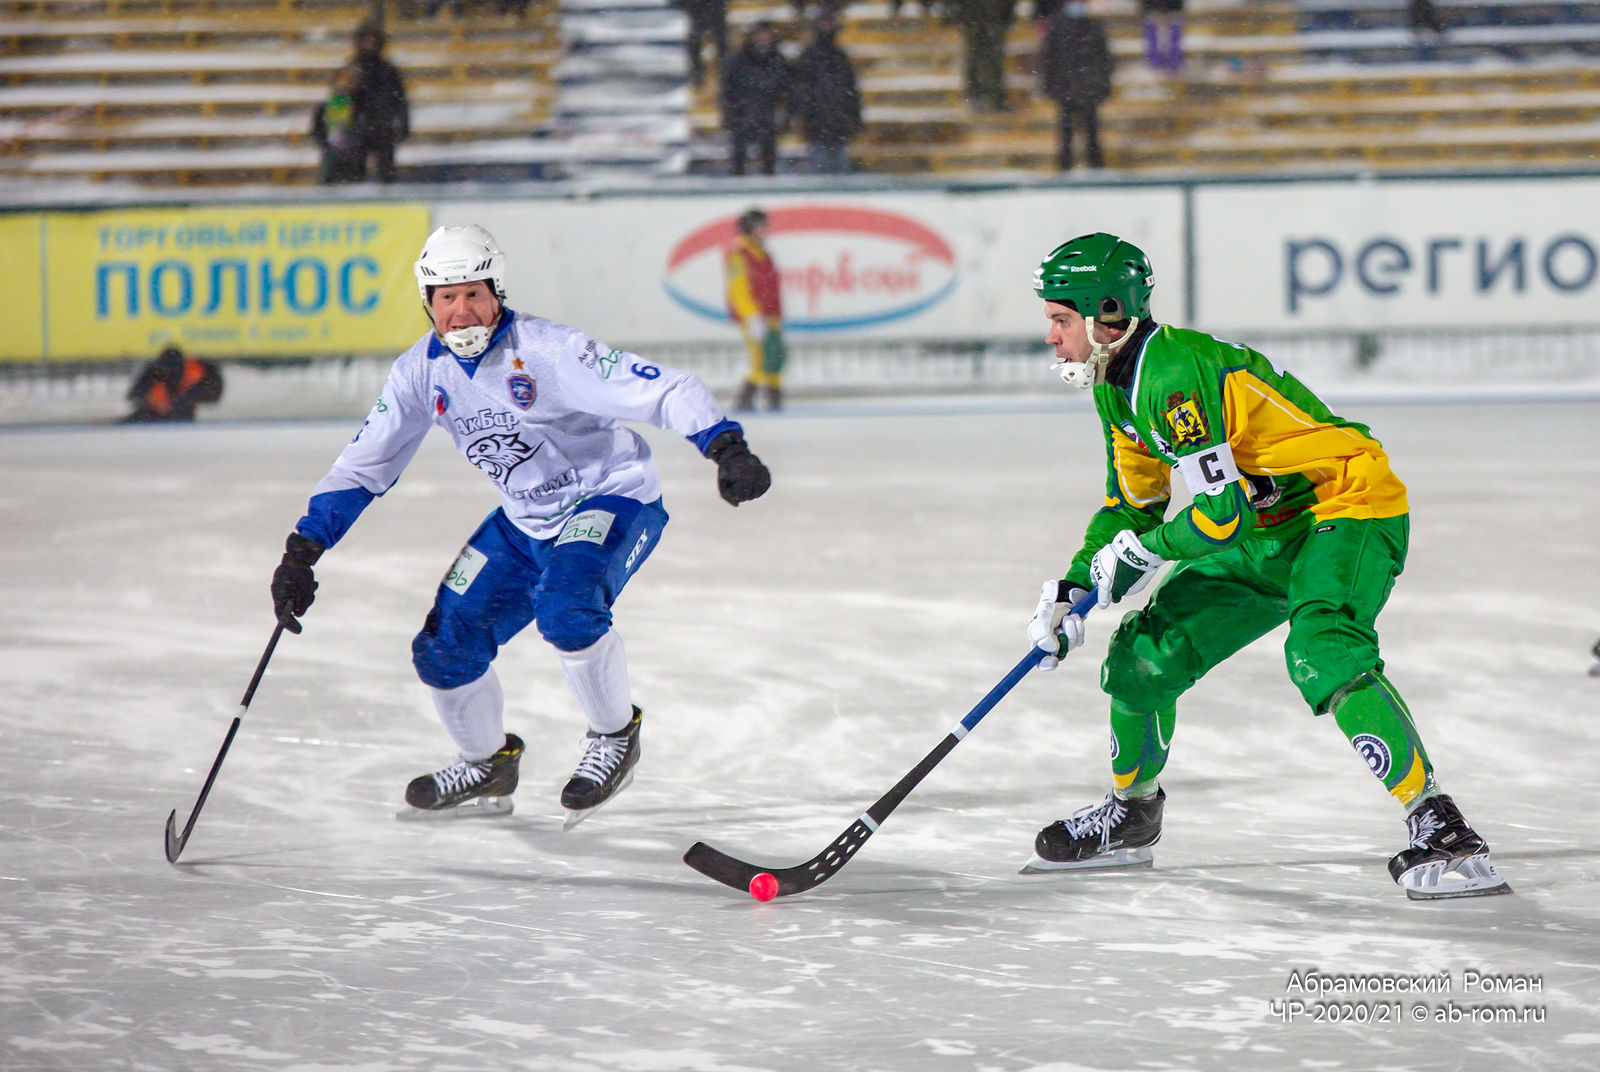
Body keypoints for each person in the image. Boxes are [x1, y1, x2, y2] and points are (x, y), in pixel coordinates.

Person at [1020, 232, 1511, 901]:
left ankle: (1442, 829)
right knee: (1143, 656)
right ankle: (1132, 816)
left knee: (1322, 647)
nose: (1051, 337)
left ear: (1108, 315)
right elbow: (1132, 505)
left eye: (1059, 319)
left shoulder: (1172, 375)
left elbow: (1218, 517)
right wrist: (1074, 585)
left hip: (1345, 504)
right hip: (1271, 525)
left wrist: (1147, 552)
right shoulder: (1118, 390)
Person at [269, 225, 773, 825]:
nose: (462, 311)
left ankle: (615, 737)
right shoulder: (417, 374)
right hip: (523, 521)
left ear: (497, 291)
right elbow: (365, 464)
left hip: (609, 498)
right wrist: (304, 549)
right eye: (447, 298)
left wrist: (725, 446)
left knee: (566, 609)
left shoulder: (548, 351)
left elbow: (664, 390)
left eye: (474, 294)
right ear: (427, 303)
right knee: (442, 649)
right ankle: (487, 764)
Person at [1038, 0, 1112, 171]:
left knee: (1091, 130)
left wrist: (1101, 84)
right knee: (1066, 131)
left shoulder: (1092, 26)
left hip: (1087, 87)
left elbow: (1104, 59)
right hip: (1066, 88)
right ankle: (1065, 164)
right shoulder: (1057, 28)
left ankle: (1095, 164)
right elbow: (1047, 60)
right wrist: (1051, 86)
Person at [724, 209, 785, 412]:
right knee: (760, 359)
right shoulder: (740, 254)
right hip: (755, 317)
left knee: (774, 358)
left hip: (770, 316)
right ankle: (745, 399)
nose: (766, 230)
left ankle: (774, 399)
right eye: (762, 226)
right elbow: (738, 288)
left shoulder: (762, 253)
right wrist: (751, 316)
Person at [790, 13, 862, 175]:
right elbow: (799, 91)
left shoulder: (841, 57)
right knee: (818, 168)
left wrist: (855, 117)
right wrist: (802, 115)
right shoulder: (807, 57)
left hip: (839, 123)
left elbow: (851, 90)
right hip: (816, 124)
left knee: (839, 169)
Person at [719, 21, 791, 176]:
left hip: (768, 114)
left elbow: (786, 89)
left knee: (768, 159)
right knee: (739, 159)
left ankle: (768, 186)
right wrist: (730, 113)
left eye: (767, 34)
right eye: (761, 34)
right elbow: (728, 89)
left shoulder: (778, 60)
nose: (764, 37)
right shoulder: (738, 60)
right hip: (742, 114)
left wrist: (783, 113)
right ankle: (737, 191)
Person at [349, 20, 409, 184]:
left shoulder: (388, 69)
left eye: (374, 41)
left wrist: (404, 122)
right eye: (366, 40)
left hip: (383, 126)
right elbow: (341, 100)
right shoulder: (352, 68)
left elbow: (401, 99)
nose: (370, 45)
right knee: (354, 174)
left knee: (387, 173)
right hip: (357, 128)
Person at [124, 345, 223, 422]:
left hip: (178, 420)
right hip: (152, 417)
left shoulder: (196, 372)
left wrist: (174, 402)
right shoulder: (154, 374)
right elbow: (134, 396)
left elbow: (212, 395)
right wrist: (150, 398)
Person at [954, 0, 1018, 112]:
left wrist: (1007, 14)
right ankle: (974, 96)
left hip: (996, 17)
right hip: (972, 17)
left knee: (996, 59)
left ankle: (997, 97)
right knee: (973, 58)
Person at [311, 65, 365, 184]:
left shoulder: (356, 106)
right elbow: (317, 130)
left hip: (352, 155)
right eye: (339, 81)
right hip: (332, 153)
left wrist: (354, 142)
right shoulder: (325, 106)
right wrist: (326, 144)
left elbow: (361, 128)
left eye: (346, 81)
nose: (342, 84)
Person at [679, 0, 729, 89]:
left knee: (722, 45)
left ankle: (724, 76)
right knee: (695, 44)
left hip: (716, 15)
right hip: (699, 14)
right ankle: (698, 77)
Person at [1140, 0, 1183, 74]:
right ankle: (1154, 65)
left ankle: (1173, 65)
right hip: (1151, 10)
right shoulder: (1151, 27)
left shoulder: (1174, 27)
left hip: (1173, 9)